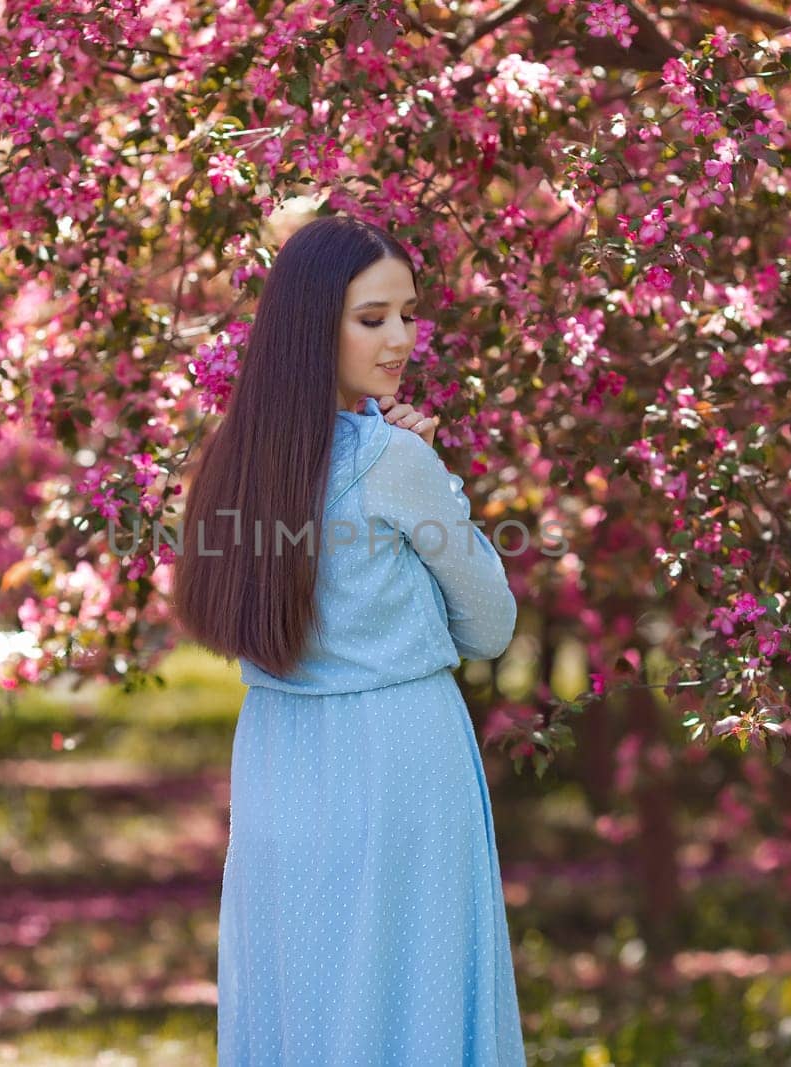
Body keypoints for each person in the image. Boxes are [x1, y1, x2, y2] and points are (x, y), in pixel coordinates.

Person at [172, 214, 525, 1065]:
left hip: (278, 760)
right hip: (399, 756)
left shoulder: (234, 460)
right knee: (410, 1003)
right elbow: (490, 624)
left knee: (301, 997)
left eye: (408, 313)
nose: (401, 338)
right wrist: (440, 487)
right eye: (373, 318)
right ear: (312, 325)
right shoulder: (394, 460)